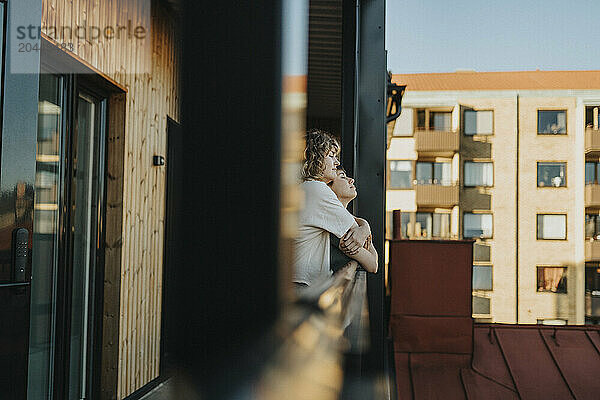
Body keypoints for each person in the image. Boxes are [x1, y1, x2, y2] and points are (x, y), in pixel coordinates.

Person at [293, 130, 373, 287]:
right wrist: (364, 228)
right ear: (314, 158)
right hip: (301, 284)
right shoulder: (317, 189)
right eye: (331, 156)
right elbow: (370, 259)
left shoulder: (304, 189)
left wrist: (364, 225)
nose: (336, 163)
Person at [328, 167, 378, 274]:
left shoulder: (345, 218)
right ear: (328, 187)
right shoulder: (335, 221)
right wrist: (365, 229)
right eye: (342, 177)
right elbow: (373, 265)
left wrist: (365, 226)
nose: (351, 180)